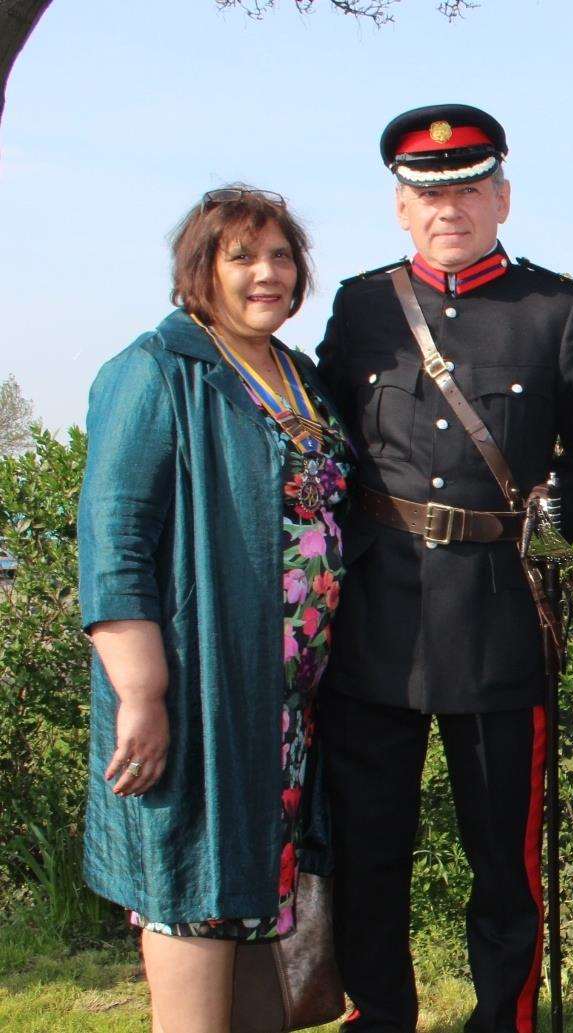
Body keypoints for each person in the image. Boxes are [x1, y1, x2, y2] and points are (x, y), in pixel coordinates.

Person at [315, 104, 573, 1032]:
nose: (450, 207)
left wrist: (567, 494)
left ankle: (504, 1018)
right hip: (376, 618)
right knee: (370, 849)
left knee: (503, 857)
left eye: (469, 189)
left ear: (503, 198)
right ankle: (382, 1016)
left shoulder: (554, 310)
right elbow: (324, 443)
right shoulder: (363, 308)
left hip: (497, 616)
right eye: (428, 192)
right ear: (401, 208)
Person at [78, 186, 349, 1030]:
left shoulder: (300, 376)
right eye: (242, 257)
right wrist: (143, 694)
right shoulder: (156, 370)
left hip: (288, 705)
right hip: (198, 692)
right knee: (191, 884)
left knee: (260, 899)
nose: (266, 273)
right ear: (201, 271)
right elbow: (115, 540)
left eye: (280, 256)